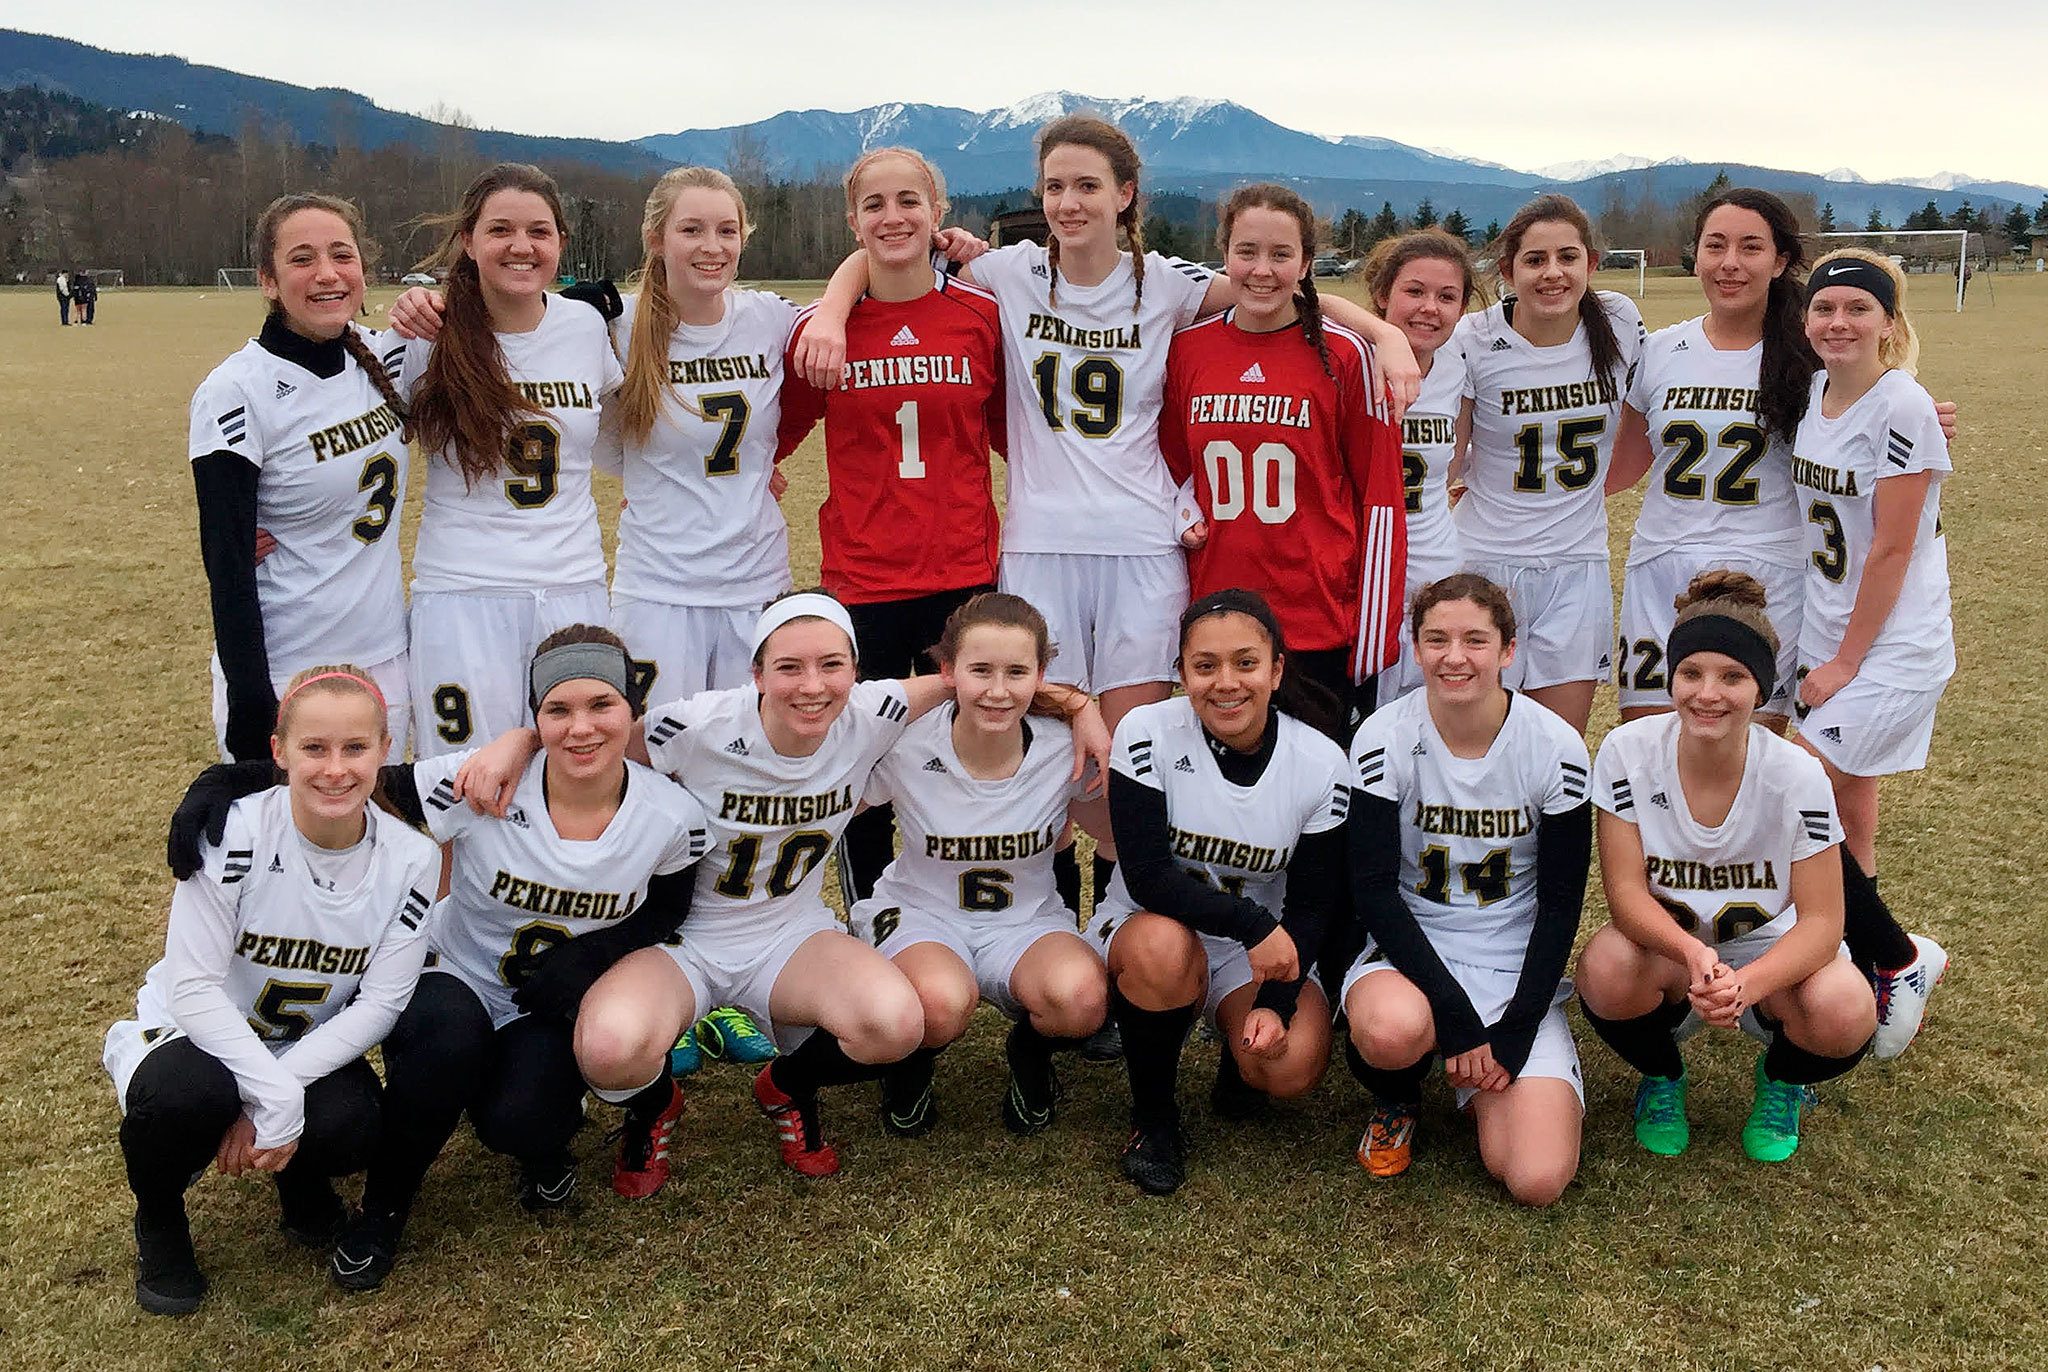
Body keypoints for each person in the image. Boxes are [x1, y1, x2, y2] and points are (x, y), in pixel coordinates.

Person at [797, 117, 1420, 914]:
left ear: (1127, 194)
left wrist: (1380, 335)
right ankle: (1051, 923)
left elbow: (1283, 289)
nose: (1069, 202)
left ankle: (1126, 926)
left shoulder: (1169, 282)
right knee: (1042, 752)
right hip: (1039, 547)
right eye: (1055, 186)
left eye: (1088, 185)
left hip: (1141, 550)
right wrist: (829, 309)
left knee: (1129, 760)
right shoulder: (1006, 273)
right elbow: (884, 249)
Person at [456, 590, 1109, 1179]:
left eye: (832, 665)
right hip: (682, 936)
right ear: (757, 674)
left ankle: (788, 1086)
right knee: (608, 1049)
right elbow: (587, 736)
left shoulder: (873, 711)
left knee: (895, 1022)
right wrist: (516, 741)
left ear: (857, 672)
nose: (812, 686)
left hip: (789, 932)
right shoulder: (698, 725)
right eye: (789, 668)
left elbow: (969, 683)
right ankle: (654, 1107)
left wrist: (1077, 704)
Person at [170, 628, 713, 1291]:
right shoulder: (485, 779)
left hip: (542, 1001)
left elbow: (668, 908)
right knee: (445, 1038)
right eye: (557, 711)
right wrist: (223, 780)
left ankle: (539, 1148)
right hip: (457, 971)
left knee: (523, 1117)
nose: (582, 728)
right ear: (534, 720)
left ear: (632, 707)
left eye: (601, 705)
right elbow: (358, 776)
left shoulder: (671, 816)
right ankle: (385, 1208)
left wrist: (593, 955)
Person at [111, 667, 437, 1316]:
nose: (335, 769)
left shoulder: (412, 860)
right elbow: (196, 987)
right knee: (181, 1097)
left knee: (350, 1125)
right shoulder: (231, 832)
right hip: (195, 1033)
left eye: (355, 749)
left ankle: (301, 1185)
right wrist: (278, 1093)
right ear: (279, 752)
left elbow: (381, 1004)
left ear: (384, 751)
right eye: (314, 748)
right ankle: (161, 1222)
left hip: (298, 1039)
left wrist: (279, 1087)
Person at [1577, 571, 1876, 1162]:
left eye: (1732, 676)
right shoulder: (1626, 751)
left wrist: (1746, 986)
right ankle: (1662, 1077)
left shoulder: (1797, 773)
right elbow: (1627, 895)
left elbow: (1822, 921)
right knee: (1605, 967)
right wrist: (1693, 957)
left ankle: (1783, 1080)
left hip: (1769, 955)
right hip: (1671, 949)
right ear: (1671, 677)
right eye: (1691, 673)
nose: (1707, 694)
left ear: (1761, 688)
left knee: (1846, 1008)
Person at [777, 147, 1006, 901]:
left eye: (910, 200)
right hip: (865, 576)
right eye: (875, 205)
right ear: (853, 221)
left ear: (939, 214)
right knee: (863, 758)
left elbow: (1021, 437)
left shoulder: (981, 318)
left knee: (968, 746)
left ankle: (963, 901)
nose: (893, 217)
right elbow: (770, 438)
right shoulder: (823, 331)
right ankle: (872, 909)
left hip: (964, 573)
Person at [1339, 574, 1591, 1207]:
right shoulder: (1383, 737)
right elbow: (1371, 890)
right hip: (1410, 950)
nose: (1455, 657)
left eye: (1475, 640)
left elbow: (1561, 904)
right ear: (1415, 648)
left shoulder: (1555, 746)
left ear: (1508, 650)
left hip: (1511, 962)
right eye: (1437, 640)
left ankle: (1487, 1083)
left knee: (1535, 1179)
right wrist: (1454, 1016)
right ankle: (1399, 1096)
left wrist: (1514, 1028)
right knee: (1393, 1029)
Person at [1094, 589, 1349, 1194]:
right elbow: (1149, 876)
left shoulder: (1320, 761)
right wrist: (1253, 925)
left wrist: (1278, 1002)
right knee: (1163, 950)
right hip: (1152, 923)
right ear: (1181, 672)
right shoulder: (1146, 729)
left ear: (1276, 668)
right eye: (1204, 666)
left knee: (1290, 1066)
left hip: (1253, 948)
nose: (1225, 683)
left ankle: (1238, 1068)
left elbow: (1314, 906)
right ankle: (1153, 1118)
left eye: (1245, 663)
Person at [845, 592, 1107, 1136]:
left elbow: (1111, 838)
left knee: (1081, 1001)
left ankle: (1029, 1057)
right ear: (948, 672)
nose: (997, 690)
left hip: (1026, 920)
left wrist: (1086, 715)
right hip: (923, 915)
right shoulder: (907, 743)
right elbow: (833, 789)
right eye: (980, 670)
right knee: (938, 1003)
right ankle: (909, 1067)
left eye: (1016, 672)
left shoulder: (1065, 747)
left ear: (1041, 675)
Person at [1162, 184, 1407, 726]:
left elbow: (1382, 503)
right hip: (1218, 613)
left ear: (1306, 263)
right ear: (1224, 256)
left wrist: (1371, 634)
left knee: (1317, 791)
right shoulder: (1187, 349)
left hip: (1315, 615)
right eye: (1247, 252)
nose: (1262, 270)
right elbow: (1174, 471)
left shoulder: (1348, 355)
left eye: (1281, 254)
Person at [399, 162, 623, 757]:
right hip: (464, 594)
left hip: (572, 587)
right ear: (468, 241)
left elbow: (621, 437)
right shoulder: (427, 335)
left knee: (573, 772)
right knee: (459, 783)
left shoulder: (585, 326)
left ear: (560, 244)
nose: (521, 246)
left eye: (539, 232)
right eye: (500, 230)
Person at [1791, 247, 1953, 1057]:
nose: (1839, 321)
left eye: (1858, 309)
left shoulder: (1901, 404)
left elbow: (1891, 551)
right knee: (1850, 801)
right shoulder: (1815, 392)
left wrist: (1848, 661)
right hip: (1829, 628)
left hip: (1887, 644)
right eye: (1825, 309)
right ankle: (1858, 949)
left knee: (1796, 792)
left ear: (1889, 322)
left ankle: (1898, 958)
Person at [189, 193, 413, 761]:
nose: (327, 274)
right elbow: (228, 565)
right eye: (302, 259)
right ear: (267, 279)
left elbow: (502, 318)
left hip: (385, 656)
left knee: (379, 839)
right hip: (291, 665)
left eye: (342, 255)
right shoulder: (236, 390)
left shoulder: (383, 360)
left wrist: (588, 303)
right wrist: (250, 702)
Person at [1451, 194, 1646, 735]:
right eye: (1535, 260)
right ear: (1509, 270)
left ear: (1592, 264)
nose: (1553, 273)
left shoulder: (1620, 322)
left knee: (1557, 746)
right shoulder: (1475, 338)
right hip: (1485, 561)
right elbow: (1450, 458)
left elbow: (1645, 424)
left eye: (1568, 257)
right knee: (1477, 739)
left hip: (1576, 566)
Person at [602, 166, 797, 703]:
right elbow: (605, 450)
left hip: (756, 582)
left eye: (727, 231)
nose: (712, 246)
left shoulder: (770, 318)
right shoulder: (616, 328)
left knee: (751, 757)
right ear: (656, 239)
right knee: (652, 755)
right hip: (658, 589)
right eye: (691, 230)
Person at [1361, 230, 1483, 698]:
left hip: (1434, 555)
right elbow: (1313, 298)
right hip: (1364, 560)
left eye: (1446, 296)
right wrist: (1382, 333)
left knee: (1427, 702)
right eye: (1414, 291)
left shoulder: (1457, 363)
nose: (1430, 307)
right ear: (1381, 294)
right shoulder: (1350, 353)